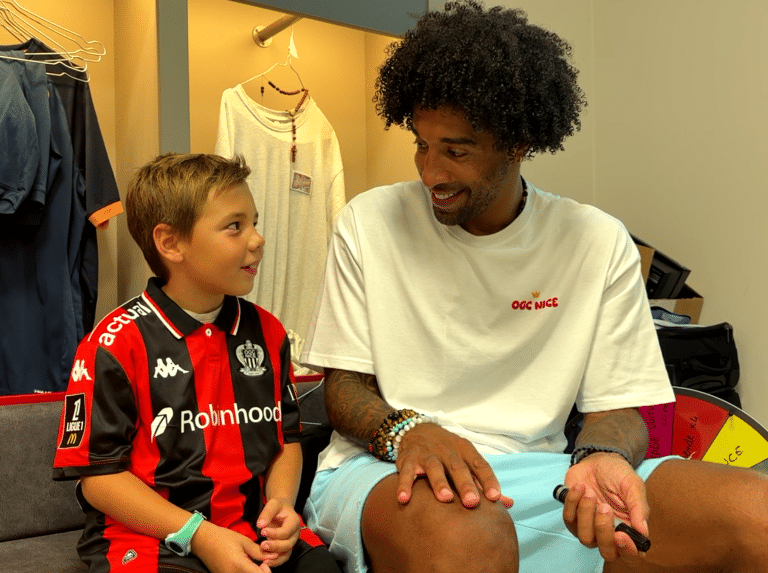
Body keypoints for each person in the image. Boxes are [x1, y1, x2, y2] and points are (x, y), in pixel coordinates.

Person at [299, 3, 768, 573]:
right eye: (422, 144)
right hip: (385, 468)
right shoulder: (369, 221)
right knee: (472, 537)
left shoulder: (596, 241)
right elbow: (343, 388)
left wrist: (602, 455)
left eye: (456, 150)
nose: (430, 172)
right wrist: (409, 431)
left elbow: (617, 410)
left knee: (757, 515)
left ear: (517, 143)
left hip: (539, 477)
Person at [53, 153, 341, 573]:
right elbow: (98, 479)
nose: (257, 239)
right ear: (171, 243)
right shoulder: (113, 344)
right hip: (151, 539)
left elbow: (288, 439)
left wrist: (281, 504)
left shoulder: (269, 332)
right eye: (235, 226)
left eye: (254, 222)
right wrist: (200, 535)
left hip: (253, 530)